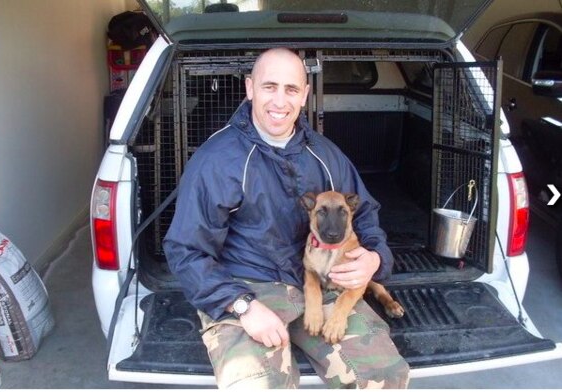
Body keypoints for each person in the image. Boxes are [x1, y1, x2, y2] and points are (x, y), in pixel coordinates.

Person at [163, 47, 409, 389]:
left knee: (383, 378)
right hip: (244, 287)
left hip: (321, 283)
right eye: (269, 87)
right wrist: (241, 305)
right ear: (250, 88)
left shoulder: (325, 154)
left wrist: (375, 259)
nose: (280, 101)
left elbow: (365, 212)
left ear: (305, 94)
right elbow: (185, 250)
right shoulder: (216, 160)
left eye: (291, 89)